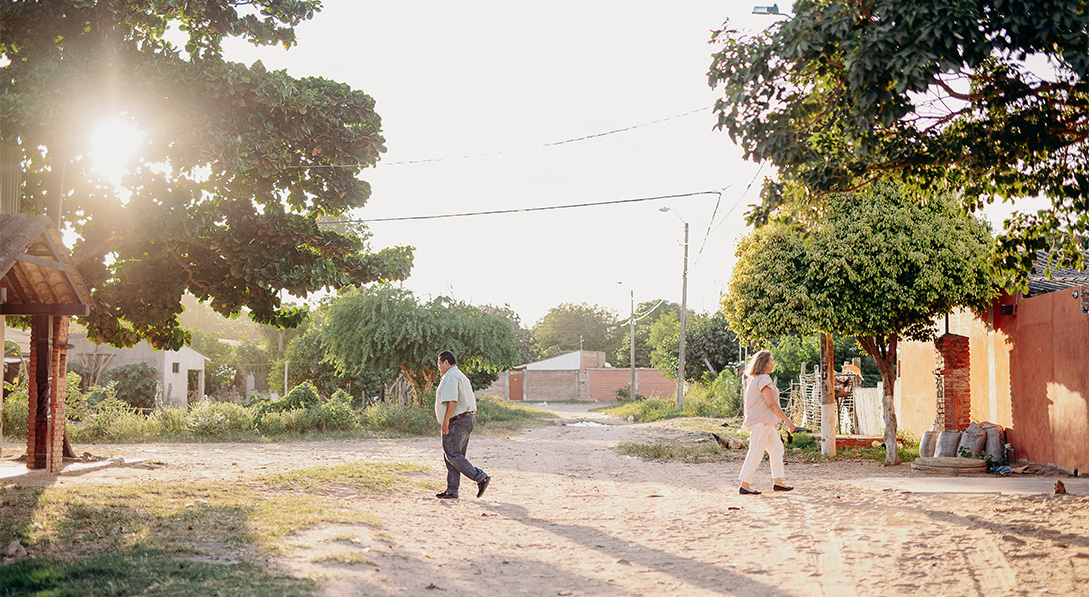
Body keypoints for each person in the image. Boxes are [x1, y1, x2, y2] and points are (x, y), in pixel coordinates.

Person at [434, 350, 490, 499]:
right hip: (467, 418)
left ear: (446, 362)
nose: (438, 366)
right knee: (454, 456)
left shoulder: (451, 376)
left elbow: (452, 400)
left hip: (457, 420)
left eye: (439, 363)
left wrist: (445, 420)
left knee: (452, 454)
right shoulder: (460, 375)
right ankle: (452, 490)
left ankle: (480, 477)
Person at [738, 350, 795, 495]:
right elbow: (771, 404)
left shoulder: (756, 378)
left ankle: (778, 482)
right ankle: (745, 485)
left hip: (765, 422)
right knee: (756, 451)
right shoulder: (763, 379)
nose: (773, 363)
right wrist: (787, 421)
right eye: (771, 360)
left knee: (776, 449)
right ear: (764, 363)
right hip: (761, 422)